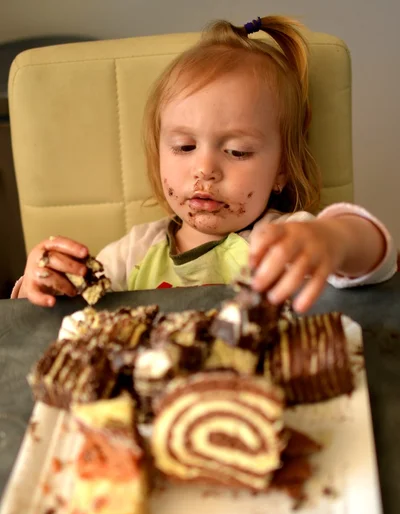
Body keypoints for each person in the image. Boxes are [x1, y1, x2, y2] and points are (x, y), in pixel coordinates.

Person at [12, 15, 397, 313]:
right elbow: (70, 312)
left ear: (281, 169)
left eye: (238, 151)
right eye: (184, 147)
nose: (205, 169)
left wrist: (334, 239)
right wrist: (43, 282)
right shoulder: (132, 255)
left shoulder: (284, 241)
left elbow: (377, 260)